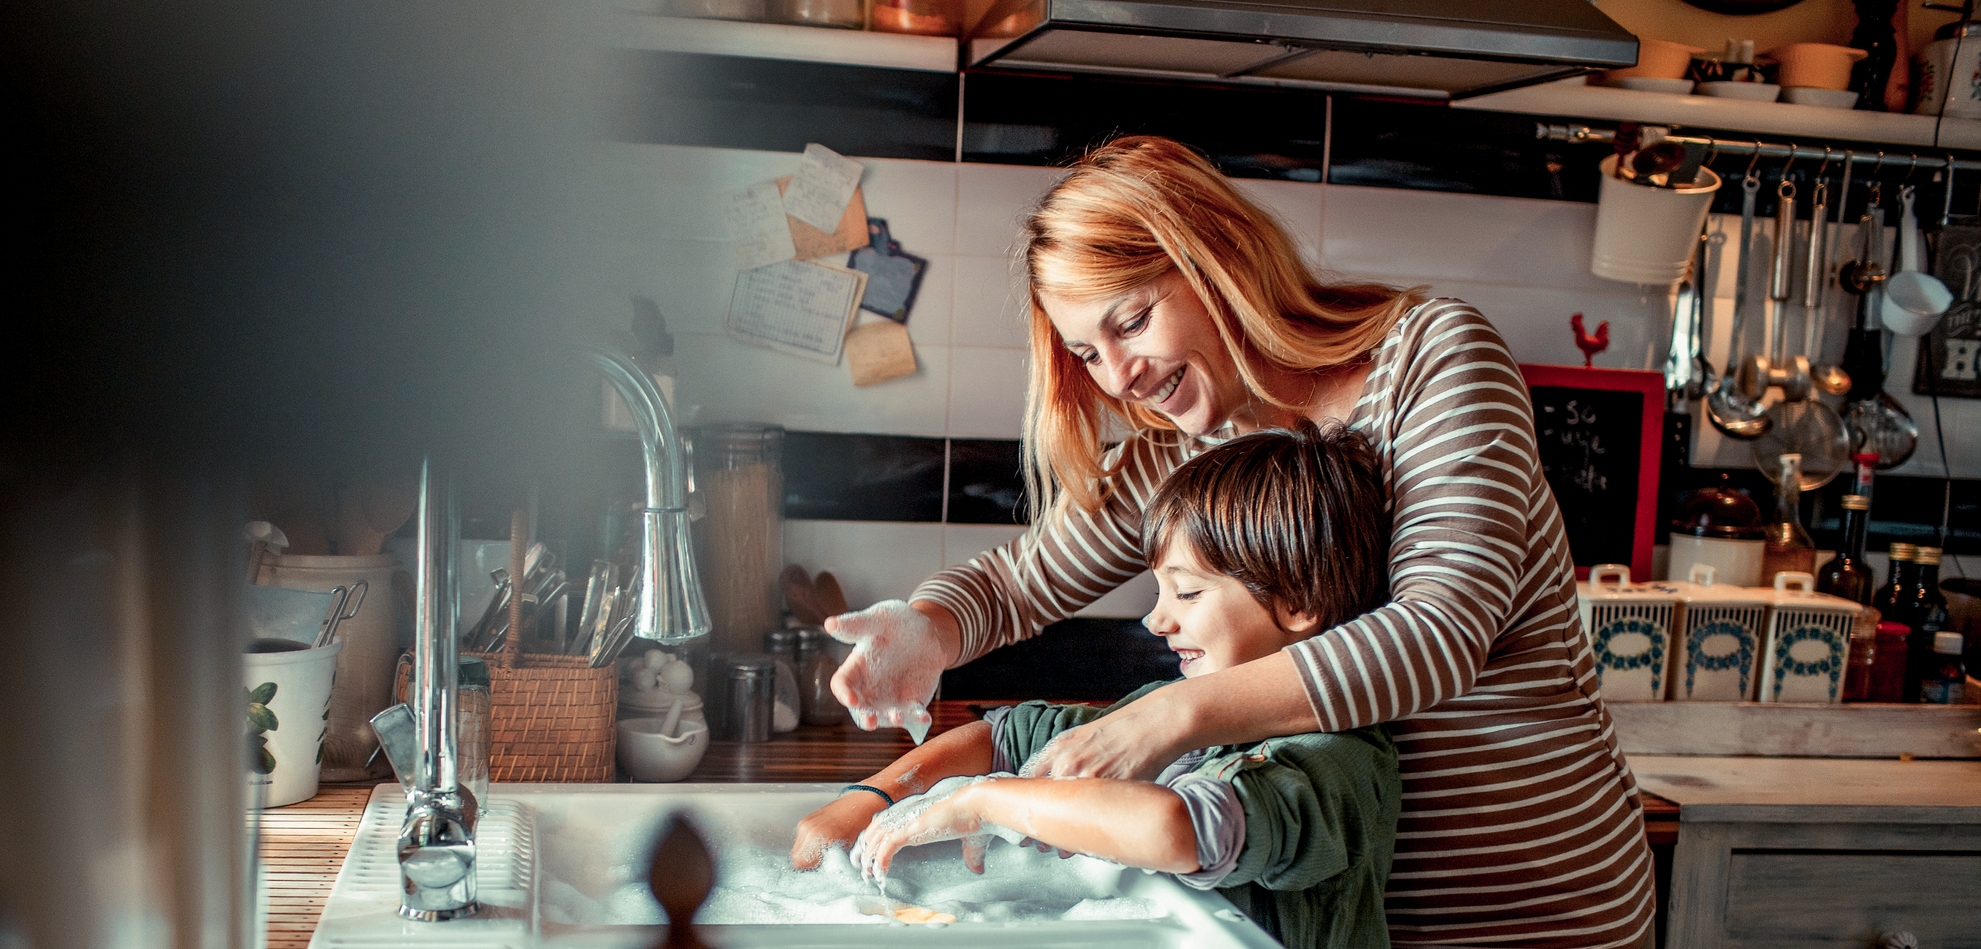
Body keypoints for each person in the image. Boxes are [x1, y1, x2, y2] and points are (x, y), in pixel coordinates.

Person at [822, 135, 1655, 949]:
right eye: (1087, 352)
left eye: (1133, 321)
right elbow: (1014, 585)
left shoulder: (1430, 358)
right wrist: (926, 626)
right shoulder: (1182, 448)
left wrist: (1163, 718)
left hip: (1539, 899)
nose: (1118, 377)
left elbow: (1437, 637)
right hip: (1339, 911)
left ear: (1215, 256)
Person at [795, 423, 1401, 949]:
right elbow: (1003, 734)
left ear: (1298, 601)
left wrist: (985, 801)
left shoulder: (1336, 762)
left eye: (1187, 592)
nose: (1157, 620)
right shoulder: (1162, 712)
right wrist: (872, 798)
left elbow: (1180, 828)